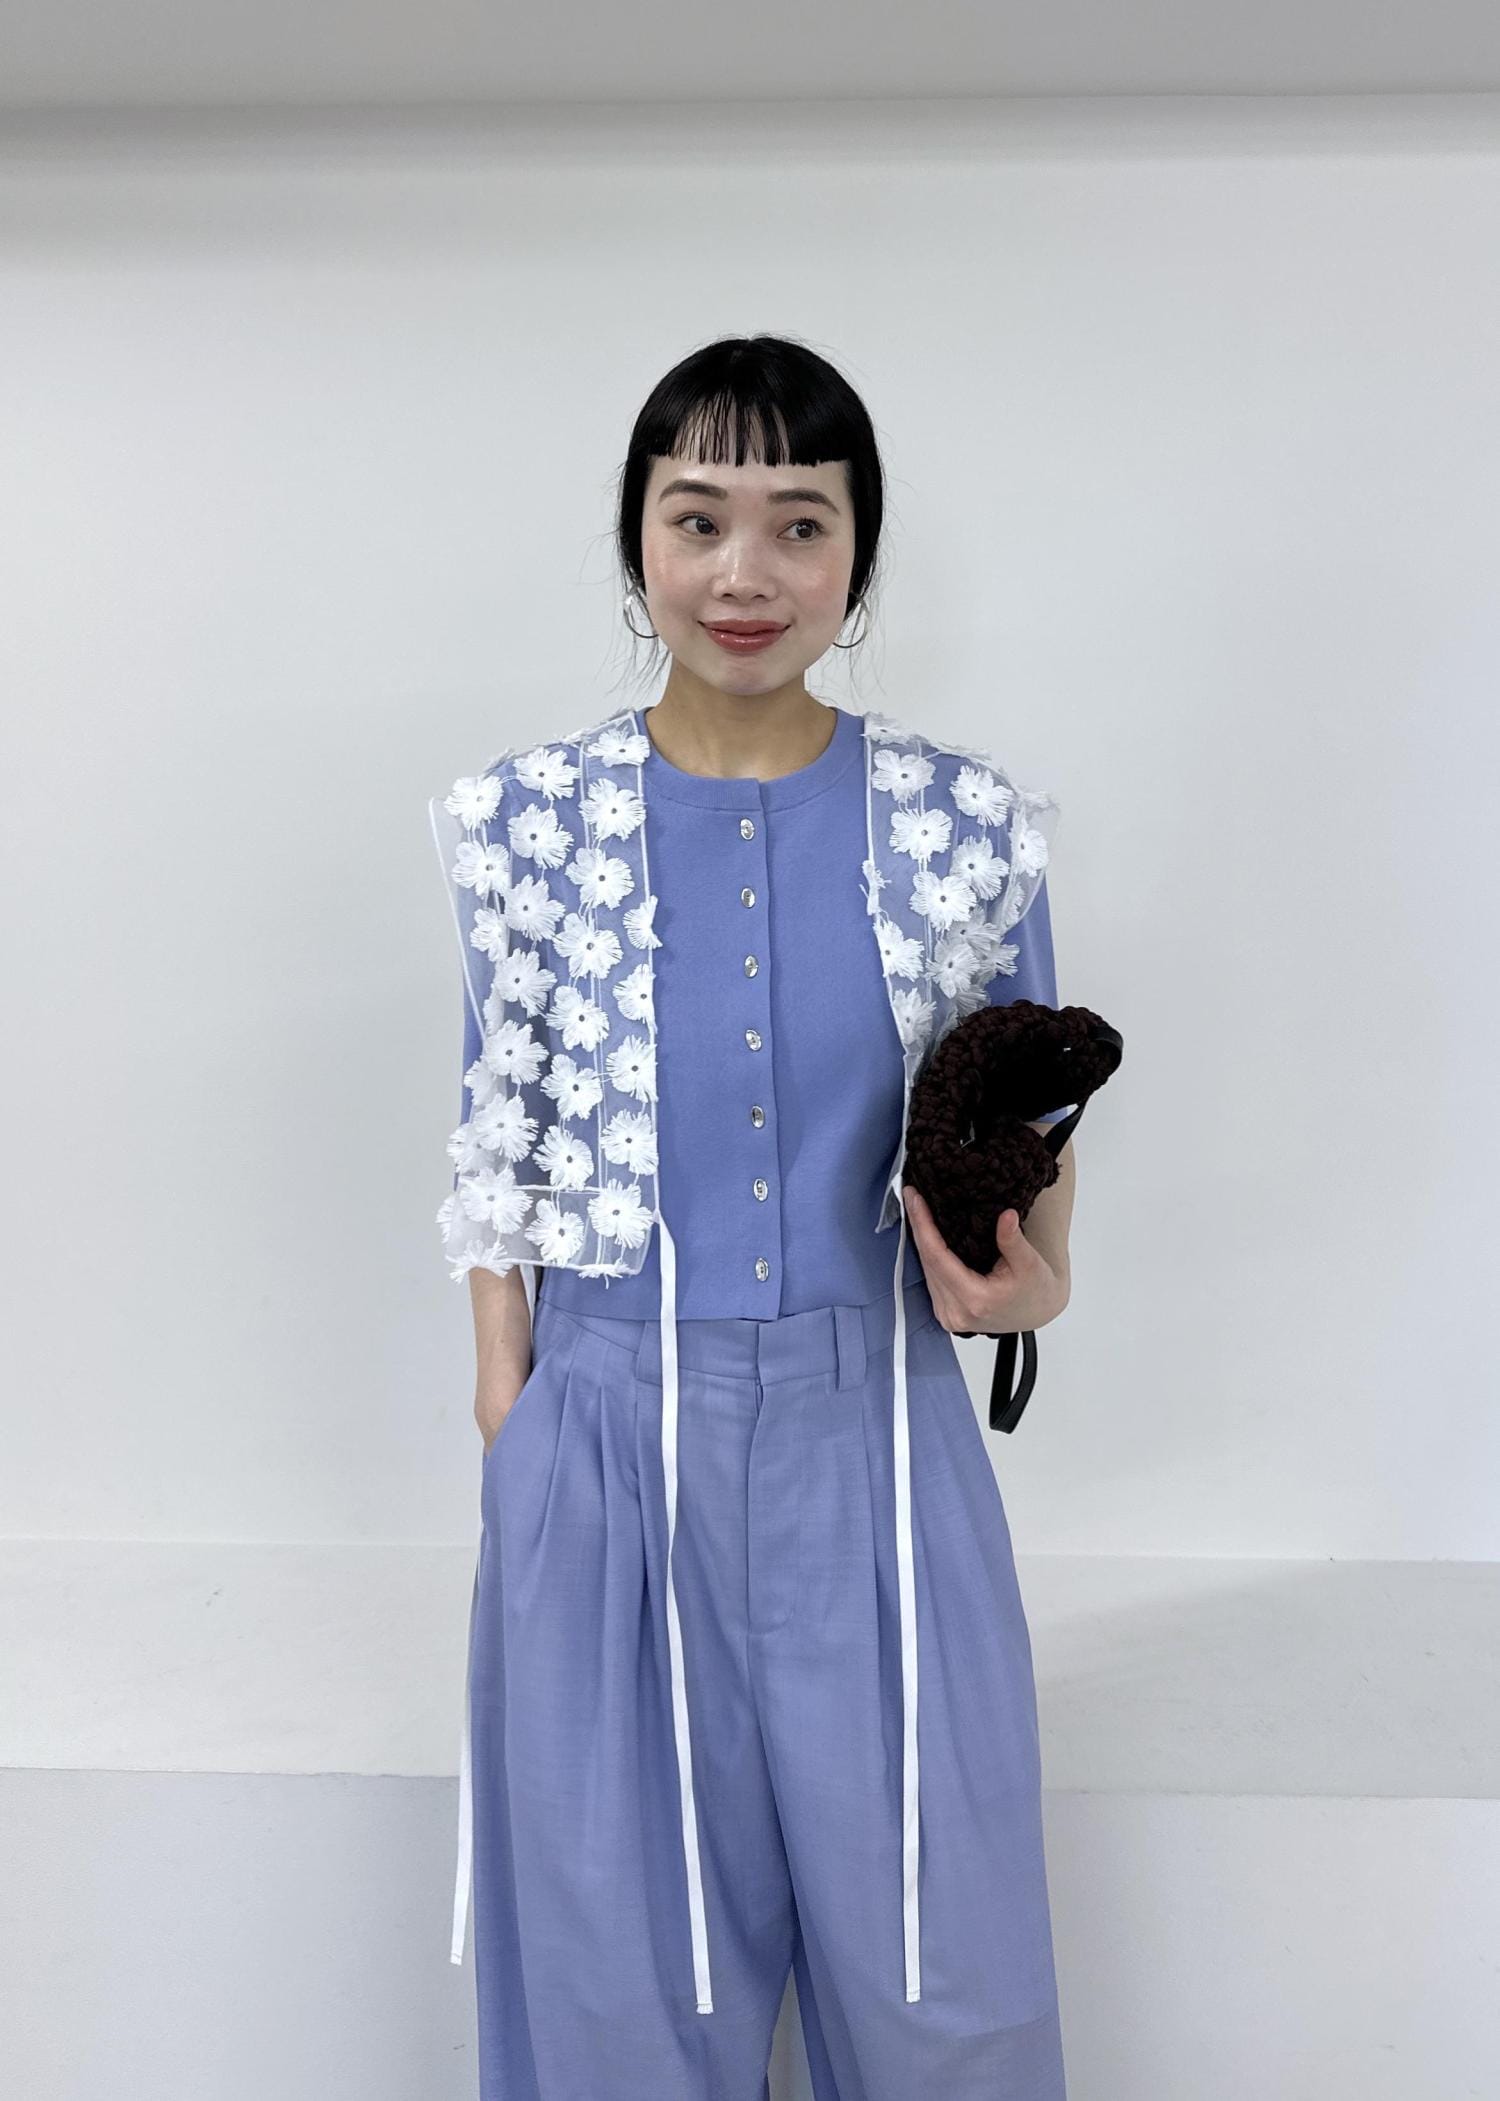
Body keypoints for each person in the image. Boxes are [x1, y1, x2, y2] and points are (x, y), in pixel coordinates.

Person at [431, 335, 1077, 2100]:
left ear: (858, 555)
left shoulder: (964, 831)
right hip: (599, 1451)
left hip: (881, 1448)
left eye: (800, 523)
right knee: (620, 2014)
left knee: (947, 1986)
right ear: (634, 537)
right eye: (698, 516)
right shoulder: (528, 826)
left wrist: (1023, 1292)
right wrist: (512, 1413)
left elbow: (1032, 1183)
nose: (745, 572)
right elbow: (499, 1131)